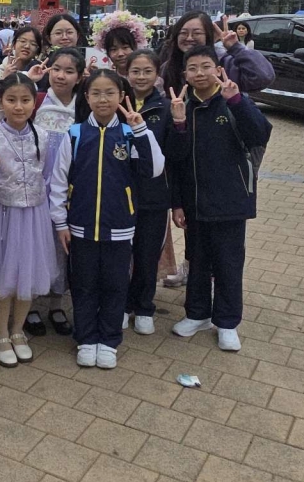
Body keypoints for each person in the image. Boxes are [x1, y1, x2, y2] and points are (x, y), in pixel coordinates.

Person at [48, 70, 163, 369]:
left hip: (120, 227)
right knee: (84, 285)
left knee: (115, 285)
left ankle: (109, 340)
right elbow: (58, 181)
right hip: (80, 227)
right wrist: (61, 222)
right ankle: (86, 339)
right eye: (96, 93)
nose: (103, 99)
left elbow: (153, 169)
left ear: (121, 96)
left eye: (110, 92)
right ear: (86, 97)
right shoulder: (75, 134)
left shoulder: (129, 134)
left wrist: (141, 130)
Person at [168, 45, 272, 350]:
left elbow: (259, 135)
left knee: (228, 263)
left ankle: (227, 322)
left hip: (230, 200)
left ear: (218, 70)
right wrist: (177, 203)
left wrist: (237, 102)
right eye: (192, 68)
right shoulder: (182, 106)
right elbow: (175, 160)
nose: (199, 73)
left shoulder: (233, 100)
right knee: (198, 261)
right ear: (184, 74)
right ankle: (197, 314)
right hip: (194, 202)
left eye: (206, 66)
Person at [0, 73, 57, 367]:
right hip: (1, 213)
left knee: (28, 272)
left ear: (34, 103)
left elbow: (47, 176)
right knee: (4, 274)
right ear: (0, 102)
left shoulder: (43, 136)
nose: (19, 106)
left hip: (34, 216)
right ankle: (1, 333)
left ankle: (18, 330)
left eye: (26, 100)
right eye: (12, 100)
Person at [27, 48, 85, 335]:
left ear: (80, 77)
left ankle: (56, 303)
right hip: (35, 187)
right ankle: (30, 305)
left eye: (69, 71)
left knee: (62, 247)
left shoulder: (83, 107)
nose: (61, 76)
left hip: (69, 190)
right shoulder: (36, 100)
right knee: (34, 245)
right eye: (56, 69)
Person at [122, 50, 172, 337]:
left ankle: (143, 307)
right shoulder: (116, 103)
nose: (141, 77)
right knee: (120, 255)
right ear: (126, 73)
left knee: (147, 254)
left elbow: (175, 156)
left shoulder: (166, 108)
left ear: (157, 74)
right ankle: (121, 305)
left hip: (154, 196)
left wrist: (179, 125)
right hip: (121, 195)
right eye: (135, 71)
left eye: (147, 71)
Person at [160, 12, 275, 94]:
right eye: (183, 33)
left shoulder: (224, 64)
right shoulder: (168, 67)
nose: (189, 38)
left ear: (208, 36)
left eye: (197, 33)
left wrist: (236, 48)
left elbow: (263, 77)